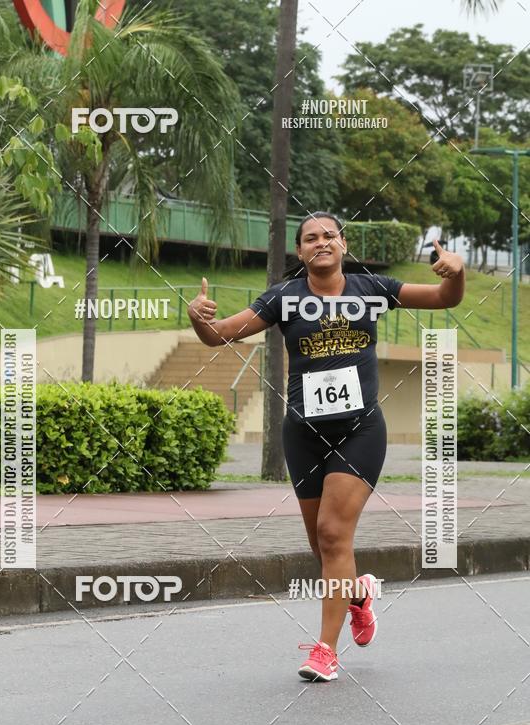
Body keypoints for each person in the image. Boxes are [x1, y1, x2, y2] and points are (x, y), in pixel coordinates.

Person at [188, 212, 465, 682]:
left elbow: (443, 299)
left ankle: (325, 651)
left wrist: (456, 274)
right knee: (322, 546)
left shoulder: (370, 289)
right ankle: (357, 595)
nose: (321, 243)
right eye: (310, 238)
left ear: (343, 244)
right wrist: (198, 319)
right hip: (303, 434)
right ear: (300, 252)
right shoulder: (285, 297)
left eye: (329, 236)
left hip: (360, 431)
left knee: (335, 534)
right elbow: (220, 336)